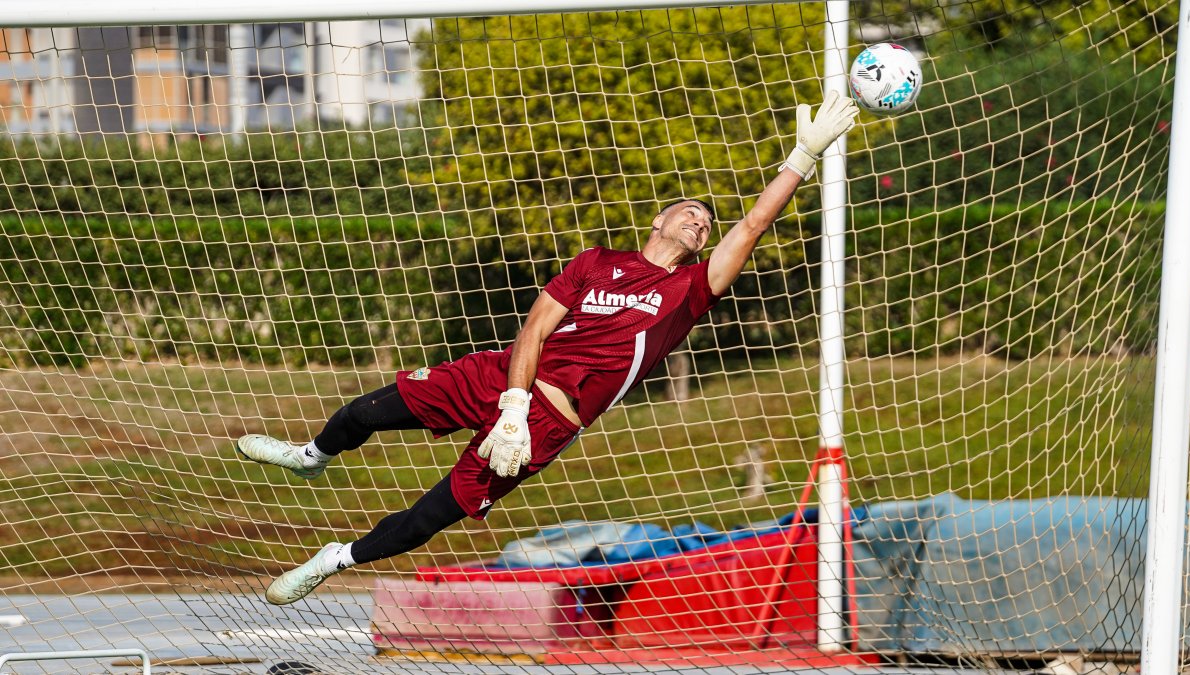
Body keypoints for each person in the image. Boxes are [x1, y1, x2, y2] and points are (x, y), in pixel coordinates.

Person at [236, 90, 858, 605]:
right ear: (656, 221)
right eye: (689, 210)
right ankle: (312, 454)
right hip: (502, 379)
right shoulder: (596, 263)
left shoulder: (690, 289)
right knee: (365, 412)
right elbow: (533, 329)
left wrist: (802, 155)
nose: (699, 220)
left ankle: (333, 560)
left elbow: (751, 225)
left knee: (431, 517)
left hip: (548, 423)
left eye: (704, 220)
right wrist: (510, 403)